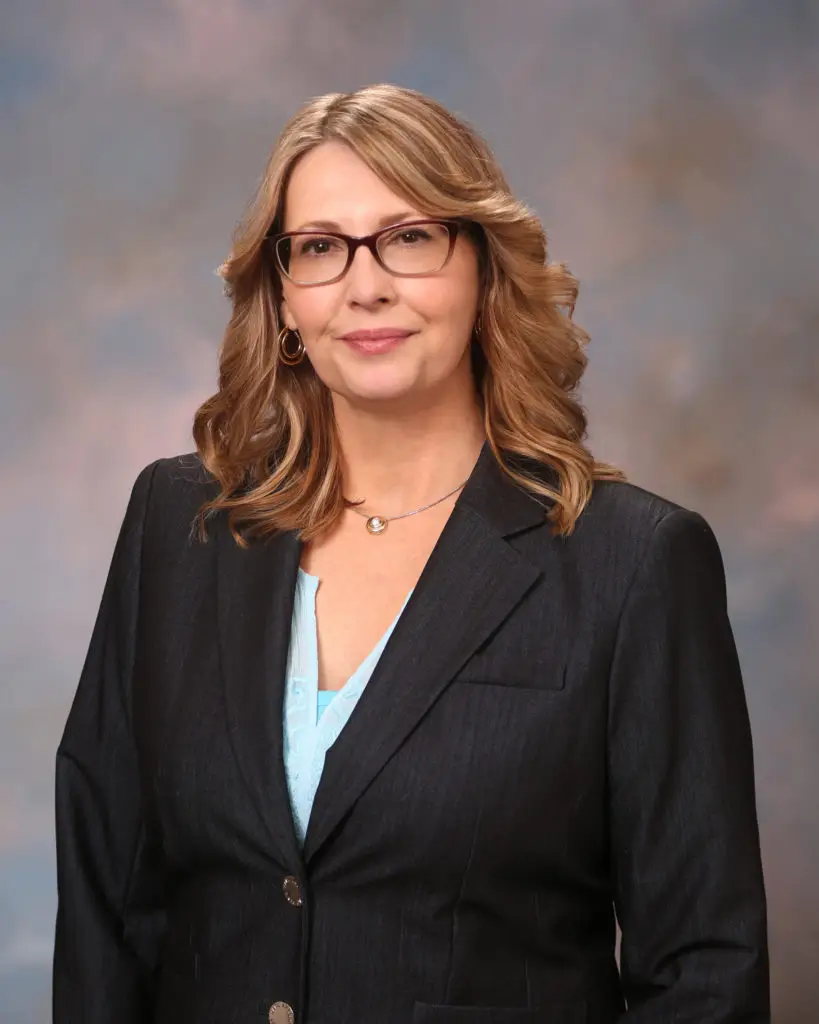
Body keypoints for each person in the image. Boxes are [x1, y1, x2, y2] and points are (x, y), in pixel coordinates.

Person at [53, 83, 770, 1024]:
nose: (365, 285)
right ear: (281, 297)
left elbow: (704, 972)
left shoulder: (631, 563)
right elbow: (108, 903)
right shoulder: (180, 523)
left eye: (409, 236)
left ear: (482, 266)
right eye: (318, 248)